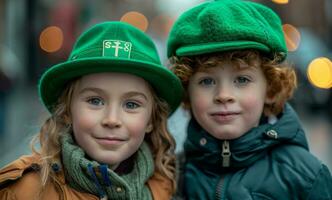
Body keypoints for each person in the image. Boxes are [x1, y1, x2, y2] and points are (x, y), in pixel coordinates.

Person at [167, 0, 332, 199]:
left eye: (242, 79)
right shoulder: (172, 176)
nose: (223, 95)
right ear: (187, 91)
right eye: (207, 81)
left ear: (270, 89)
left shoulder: (305, 177)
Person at [0, 21, 183, 200]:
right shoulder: (22, 192)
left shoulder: (167, 187)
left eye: (131, 105)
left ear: (151, 119)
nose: (112, 120)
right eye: (95, 101)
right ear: (67, 110)